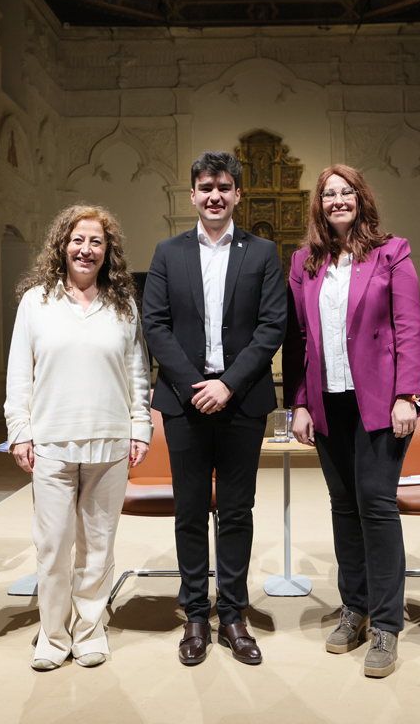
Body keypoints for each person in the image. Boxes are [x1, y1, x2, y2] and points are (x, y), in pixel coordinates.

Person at [142, 150, 286, 666]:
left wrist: (226, 385)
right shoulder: (167, 252)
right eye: (206, 187)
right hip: (183, 403)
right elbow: (154, 325)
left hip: (242, 401)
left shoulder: (263, 252)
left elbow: (272, 327)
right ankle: (195, 616)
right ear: (193, 195)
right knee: (189, 510)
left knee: (236, 509)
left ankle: (233, 614)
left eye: (224, 187)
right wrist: (194, 385)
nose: (215, 196)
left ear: (237, 194)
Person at [284, 165, 420, 678]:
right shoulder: (305, 261)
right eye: (329, 194)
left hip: (380, 402)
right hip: (327, 401)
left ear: (361, 199)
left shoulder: (393, 252)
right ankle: (355, 607)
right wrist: (299, 403)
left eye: (347, 192)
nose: (338, 200)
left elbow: (410, 326)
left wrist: (407, 394)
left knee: (377, 504)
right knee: (344, 505)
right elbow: (298, 340)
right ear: (319, 205)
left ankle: (387, 625)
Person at [4, 205, 152, 671]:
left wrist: (140, 425)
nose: (86, 250)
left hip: (110, 441)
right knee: (52, 544)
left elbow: (138, 372)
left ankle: (89, 629)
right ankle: (52, 635)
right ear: (62, 246)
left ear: (108, 252)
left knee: (99, 543)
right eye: (78, 240)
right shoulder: (36, 303)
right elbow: (18, 374)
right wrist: (19, 431)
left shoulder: (123, 305)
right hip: (51, 440)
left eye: (96, 242)